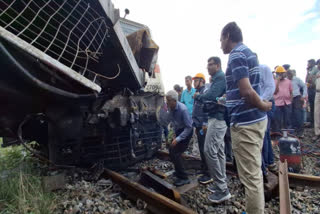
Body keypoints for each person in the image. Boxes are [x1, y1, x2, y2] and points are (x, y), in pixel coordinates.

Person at [220, 22, 272, 214]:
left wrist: (264, 105)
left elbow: (247, 92)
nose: (220, 45)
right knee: (254, 172)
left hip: (245, 123)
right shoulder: (249, 52)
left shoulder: (236, 54)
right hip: (255, 120)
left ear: (227, 36)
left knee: (251, 179)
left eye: (220, 40)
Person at [194, 56, 229, 202]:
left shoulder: (220, 78)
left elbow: (211, 95)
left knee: (209, 150)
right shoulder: (217, 79)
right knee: (219, 152)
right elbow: (215, 97)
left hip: (218, 119)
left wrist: (198, 96)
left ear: (218, 65)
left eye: (211, 64)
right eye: (207, 64)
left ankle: (222, 189)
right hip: (217, 118)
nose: (208, 67)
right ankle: (221, 182)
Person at [160, 90, 193, 186]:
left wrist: (178, 138)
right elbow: (168, 121)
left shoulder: (183, 110)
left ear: (174, 100)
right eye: (166, 100)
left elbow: (189, 127)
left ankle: (184, 177)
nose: (167, 102)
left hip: (186, 132)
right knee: (171, 150)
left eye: (168, 100)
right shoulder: (171, 109)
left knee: (176, 153)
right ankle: (179, 171)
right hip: (179, 130)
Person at [191, 73, 209, 181]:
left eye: (196, 80)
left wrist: (205, 124)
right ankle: (203, 168)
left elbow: (206, 109)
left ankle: (208, 172)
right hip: (198, 125)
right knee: (201, 147)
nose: (194, 82)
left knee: (204, 148)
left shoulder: (204, 92)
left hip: (203, 126)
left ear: (202, 81)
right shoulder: (198, 92)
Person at [259, 64, 276, 177]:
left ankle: (265, 164)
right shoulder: (251, 72)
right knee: (265, 134)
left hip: (265, 103)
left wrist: (260, 102)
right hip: (260, 104)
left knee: (263, 134)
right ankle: (270, 162)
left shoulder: (264, 69)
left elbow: (270, 87)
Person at [287, 69, 307, 137]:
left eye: (290, 74)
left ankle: (301, 132)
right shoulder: (287, 80)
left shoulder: (297, 79)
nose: (289, 76)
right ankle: (294, 131)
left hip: (297, 98)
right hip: (289, 99)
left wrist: (304, 96)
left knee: (298, 115)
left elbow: (304, 86)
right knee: (291, 115)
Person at [273, 66, 293, 132]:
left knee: (287, 119)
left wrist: (291, 100)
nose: (281, 75)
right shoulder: (274, 81)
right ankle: (278, 133)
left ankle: (288, 133)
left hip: (287, 103)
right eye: (279, 73)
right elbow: (275, 92)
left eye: (282, 73)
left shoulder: (288, 81)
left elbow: (291, 91)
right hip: (277, 103)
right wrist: (278, 81)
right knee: (277, 119)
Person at [306, 59, 319, 127]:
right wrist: (307, 71)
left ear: (312, 63)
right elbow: (307, 80)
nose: (308, 65)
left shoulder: (314, 69)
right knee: (312, 106)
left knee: (314, 107)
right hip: (311, 89)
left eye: (309, 63)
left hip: (314, 89)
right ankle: (312, 122)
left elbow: (310, 78)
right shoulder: (310, 70)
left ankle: (314, 123)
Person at [314, 59, 320, 140]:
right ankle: (317, 133)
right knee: (316, 113)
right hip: (318, 93)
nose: (318, 66)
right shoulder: (317, 73)